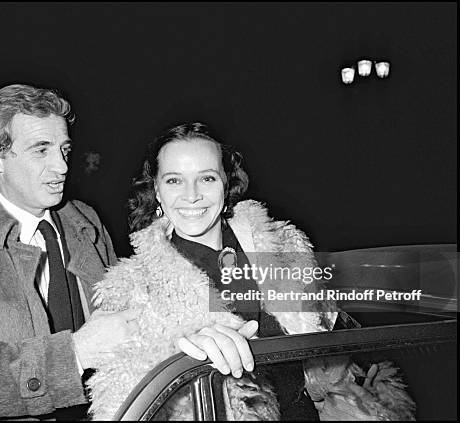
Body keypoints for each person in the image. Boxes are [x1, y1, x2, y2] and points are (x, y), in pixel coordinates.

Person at [0, 85, 255, 420]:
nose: (62, 167)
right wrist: (75, 353)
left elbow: (134, 324)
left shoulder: (84, 221)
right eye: (42, 150)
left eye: (64, 150)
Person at [87, 122, 416, 420]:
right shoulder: (131, 287)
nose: (191, 195)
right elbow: (120, 402)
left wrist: (356, 387)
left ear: (225, 182)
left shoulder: (287, 247)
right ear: (156, 190)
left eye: (207, 177)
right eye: (174, 180)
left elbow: (334, 344)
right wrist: (180, 354)